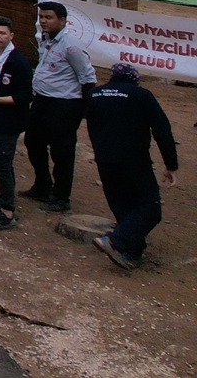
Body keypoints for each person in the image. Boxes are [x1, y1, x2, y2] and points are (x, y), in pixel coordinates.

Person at [85, 62, 180, 268]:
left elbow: (91, 127)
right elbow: (162, 130)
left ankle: (132, 253)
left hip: (104, 160)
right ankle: (114, 240)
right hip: (134, 161)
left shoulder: (94, 95)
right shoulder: (141, 95)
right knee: (150, 207)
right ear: (134, 79)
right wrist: (171, 164)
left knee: (123, 207)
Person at [25, 0, 97, 213]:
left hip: (65, 104)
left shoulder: (71, 45)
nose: (44, 21)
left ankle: (61, 196)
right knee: (33, 142)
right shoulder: (45, 40)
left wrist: (82, 109)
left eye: (49, 17)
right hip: (42, 100)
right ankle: (42, 185)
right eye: (41, 17)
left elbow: (87, 77)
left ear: (63, 20)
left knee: (62, 151)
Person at [0, 14, 33, 230]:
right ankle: (1, 201)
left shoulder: (18, 62)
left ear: (11, 35)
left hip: (6, 122)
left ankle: (7, 210)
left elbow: (24, 96)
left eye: (2, 33)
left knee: (3, 165)